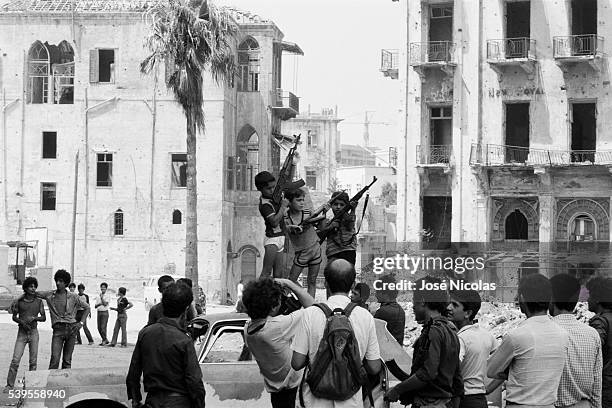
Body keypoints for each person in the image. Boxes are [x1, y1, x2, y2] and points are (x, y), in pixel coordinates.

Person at [291, 259, 381, 407]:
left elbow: (296, 363)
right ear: (352, 285)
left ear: (326, 283)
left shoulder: (309, 314)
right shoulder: (365, 317)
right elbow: (374, 367)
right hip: (351, 402)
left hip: (315, 401)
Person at [487, 273, 569, 408]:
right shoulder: (563, 335)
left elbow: (491, 371)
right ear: (550, 300)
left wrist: (512, 368)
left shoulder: (517, 336)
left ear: (522, 298)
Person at [385, 276, 463, 408]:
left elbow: (427, 373)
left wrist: (397, 390)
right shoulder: (450, 330)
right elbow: (457, 378)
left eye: (414, 300)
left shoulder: (433, 331)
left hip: (429, 403)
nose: (413, 306)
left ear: (422, 301)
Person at [126, 282, 205, 408]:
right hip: (179, 403)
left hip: (152, 401)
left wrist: (135, 400)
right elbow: (194, 381)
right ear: (185, 310)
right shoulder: (184, 340)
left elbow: (133, 373)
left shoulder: (145, 334)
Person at [243, 278, 314, 408]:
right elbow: (313, 308)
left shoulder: (247, 329)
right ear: (274, 307)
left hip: (275, 392)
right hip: (294, 390)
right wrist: (289, 283)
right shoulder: (278, 326)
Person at [550, 274, 602, 408]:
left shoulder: (542, 333)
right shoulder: (592, 334)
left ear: (551, 298)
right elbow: (597, 383)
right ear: (576, 299)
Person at [447, 288, 497, 408]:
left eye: (454, 305)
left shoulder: (461, 338)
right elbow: (505, 367)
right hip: (480, 399)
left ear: (468, 313)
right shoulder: (487, 335)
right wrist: (489, 389)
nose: (448, 307)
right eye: (449, 303)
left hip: (463, 400)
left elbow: (452, 370)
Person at [36, 269, 90, 369]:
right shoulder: (50, 295)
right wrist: (17, 299)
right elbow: (33, 293)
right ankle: (51, 383)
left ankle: (64, 383)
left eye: (61, 281)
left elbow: (87, 307)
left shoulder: (73, 296)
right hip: (58, 330)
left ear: (65, 283)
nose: (58, 283)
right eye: (57, 280)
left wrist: (81, 323)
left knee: (67, 361)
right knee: (54, 359)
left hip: (72, 329)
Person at [3, 277, 46, 393]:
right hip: (21, 333)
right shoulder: (19, 302)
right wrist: (22, 322)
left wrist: (34, 318)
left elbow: (44, 317)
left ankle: (30, 387)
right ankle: (9, 385)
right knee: (15, 360)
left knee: (33, 362)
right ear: (25, 288)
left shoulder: (39, 302)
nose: (33, 288)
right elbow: (14, 317)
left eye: (34, 286)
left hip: (34, 333)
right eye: (31, 286)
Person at [283, 188, 326, 297]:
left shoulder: (308, 213)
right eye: (298, 200)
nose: (302, 203)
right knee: (291, 280)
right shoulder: (285, 216)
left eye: (302, 200)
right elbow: (282, 229)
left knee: (312, 280)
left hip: (315, 249)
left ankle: (310, 305)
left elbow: (322, 228)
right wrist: (290, 228)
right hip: (301, 252)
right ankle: (301, 298)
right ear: (289, 202)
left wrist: (323, 215)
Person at [255, 171, 288, 279]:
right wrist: (283, 207)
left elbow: (287, 182)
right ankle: (255, 295)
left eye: (274, 187)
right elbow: (274, 222)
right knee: (266, 272)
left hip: (280, 238)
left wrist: (293, 164)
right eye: (268, 188)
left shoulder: (274, 198)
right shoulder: (265, 204)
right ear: (260, 189)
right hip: (272, 239)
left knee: (279, 275)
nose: (272, 190)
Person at [587, 276, 612, 407]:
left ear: (597, 299)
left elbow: (594, 348)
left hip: (606, 387)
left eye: (590, 295)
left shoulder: (600, 322)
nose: (587, 299)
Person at [318, 191, 357, 265]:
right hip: (333, 253)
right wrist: (324, 213)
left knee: (348, 274)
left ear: (346, 206)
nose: (338, 207)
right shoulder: (328, 221)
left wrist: (353, 210)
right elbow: (321, 232)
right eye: (335, 204)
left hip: (348, 251)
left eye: (342, 205)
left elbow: (350, 226)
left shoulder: (348, 218)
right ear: (331, 205)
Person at [374, 274, 406, 346]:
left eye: (377, 292)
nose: (376, 295)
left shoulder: (383, 312)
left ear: (384, 294)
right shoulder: (401, 310)